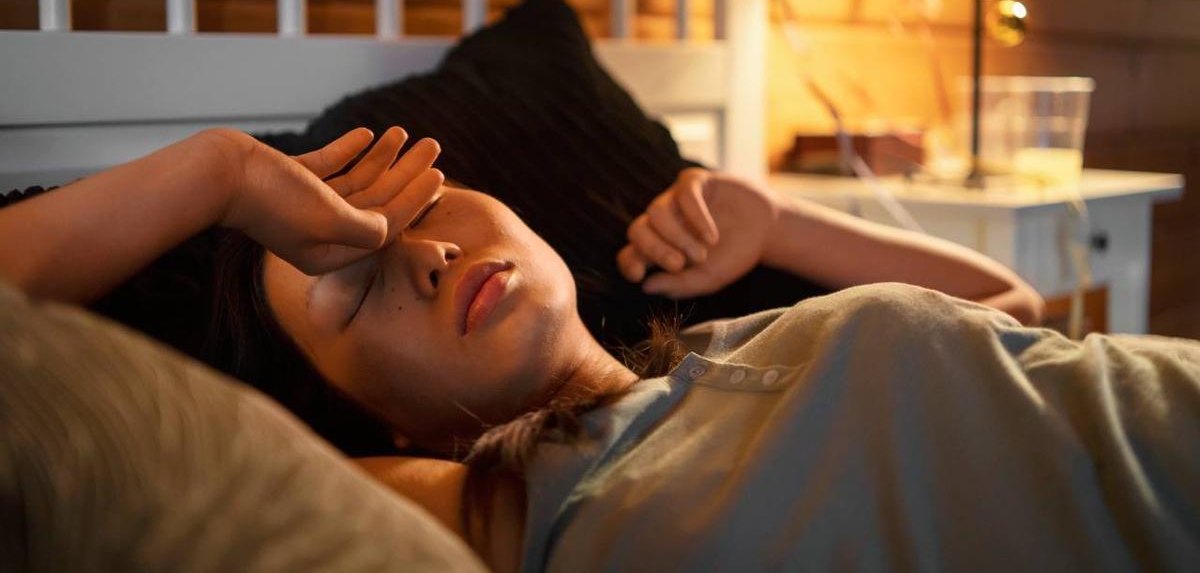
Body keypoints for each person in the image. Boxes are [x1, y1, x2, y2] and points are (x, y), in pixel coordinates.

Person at [5, 128, 1195, 572]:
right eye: (352, 285)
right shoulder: (460, 504)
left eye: (422, 211)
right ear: (387, 425)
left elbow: (1017, 321)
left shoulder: (728, 346)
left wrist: (782, 224)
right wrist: (211, 174)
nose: (421, 257)